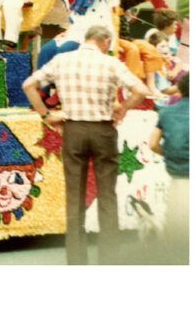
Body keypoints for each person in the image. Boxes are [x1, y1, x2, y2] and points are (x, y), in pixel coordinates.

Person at [23, 24, 149, 264]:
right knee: (107, 196)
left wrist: (45, 114)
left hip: (74, 129)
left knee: (74, 196)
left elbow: (29, 85)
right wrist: (122, 109)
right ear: (105, 42)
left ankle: (77, 260)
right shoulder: (111, 63)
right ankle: (109, 259)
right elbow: (141, 90)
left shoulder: (62, 60)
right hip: (103, 130)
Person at [149, 72, 189, 262]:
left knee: (175, 222)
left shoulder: (166, 112)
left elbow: (153, 144)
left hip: (175, 173)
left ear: (180, 89)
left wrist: (169, 155)